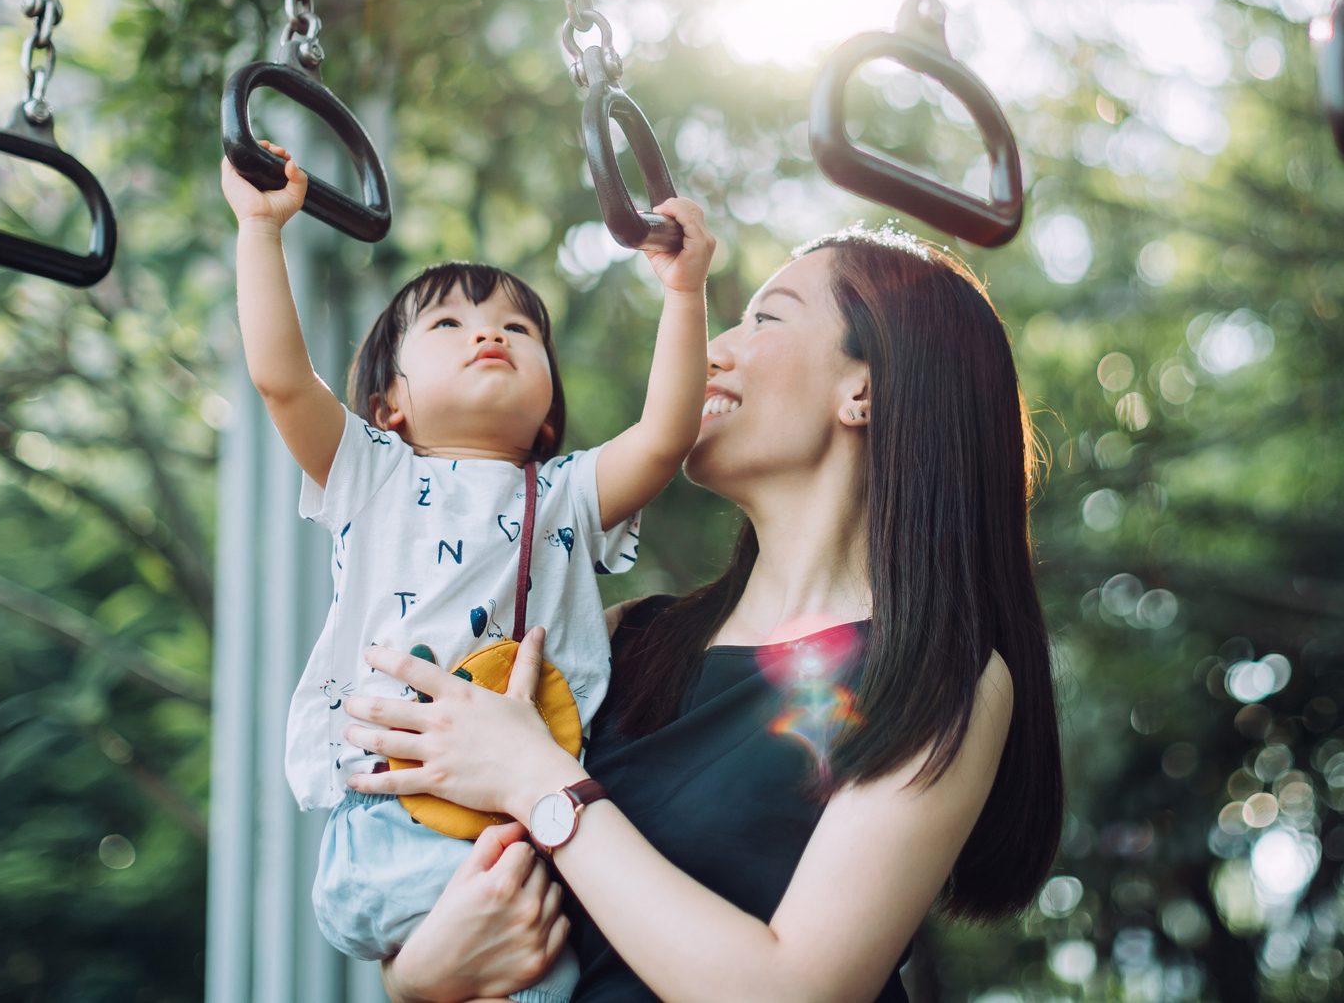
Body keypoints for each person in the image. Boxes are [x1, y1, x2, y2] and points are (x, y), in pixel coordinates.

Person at [339, 224, 1064, 1002]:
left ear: (866, 388)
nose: (713, 349)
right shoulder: (619, 639)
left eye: (766, 319)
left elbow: (794, 990)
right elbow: (441, 902)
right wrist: (414, 976)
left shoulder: (940, 678)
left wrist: (542, 785)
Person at [220, 139, 715, 1002]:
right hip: (390, 815)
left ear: (550, 412)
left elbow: (667, 435)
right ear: (391, 405)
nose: (488, 332)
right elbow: (279, 379)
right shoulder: (370, 471)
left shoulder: (562, 493)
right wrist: (260, 231)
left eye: (517, 329)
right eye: (447, 325)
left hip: (519, 818)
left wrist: (683, 292)